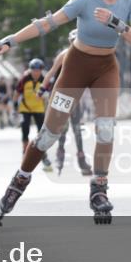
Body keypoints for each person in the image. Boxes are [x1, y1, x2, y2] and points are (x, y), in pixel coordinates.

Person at [0, 0, 131, 223]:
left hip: (106, 68)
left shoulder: (130, 1)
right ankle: (20, 179)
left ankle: (99, 189)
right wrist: (9, 41)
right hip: (75, 67)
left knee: (105, 129)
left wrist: (117, 24)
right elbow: (46, 24)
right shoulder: (85, 0)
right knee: (49, 134)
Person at [42, 30, 92, 176]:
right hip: (62, 96)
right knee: (62, 129)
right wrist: (43, 89)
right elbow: (51, 73)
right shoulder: (64, 55)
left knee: (77, 129)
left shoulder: (85, 58)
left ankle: (82, 161)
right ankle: (60, 155)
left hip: (76, 97)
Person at [14, 58, 53, 172]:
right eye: (33, 70)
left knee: (41, 134)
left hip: (38, 109)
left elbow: (51, 94)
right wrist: (14, 108)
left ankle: (44, 156)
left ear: (41, 70)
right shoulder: (24, 79)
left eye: (38, 70)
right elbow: (16, 93)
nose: (36, 72)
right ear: (30, 70)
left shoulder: (45, 80)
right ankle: (24, 155)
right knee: (25, 131)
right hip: (25, 108)